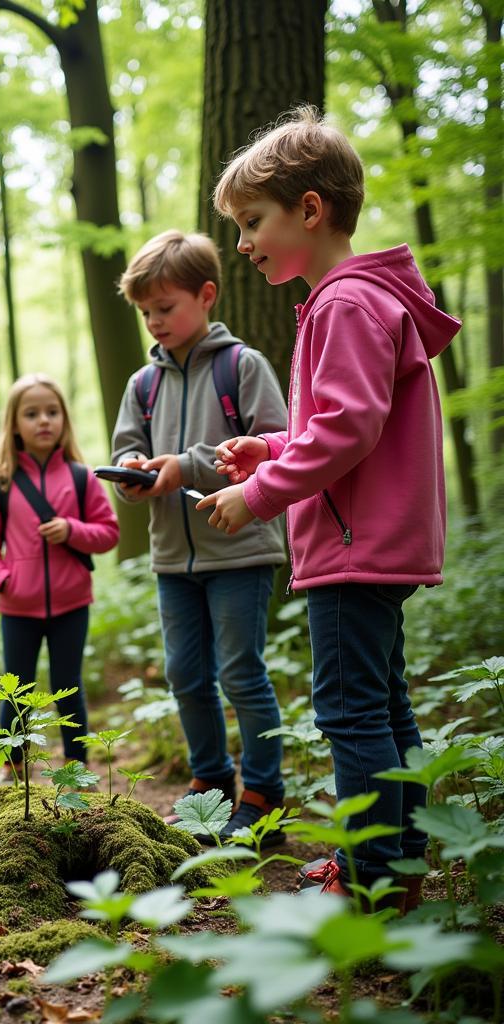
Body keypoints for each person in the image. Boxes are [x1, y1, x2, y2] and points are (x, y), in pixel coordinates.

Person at [202, 106, 461, 904]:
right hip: (372, 537)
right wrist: (271, 451)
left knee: (350, 712)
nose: (243, 244)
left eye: (253, 223)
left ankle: (374, 879)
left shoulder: (347, 303)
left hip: (355, 548)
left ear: (309, 210)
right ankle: (401, 862)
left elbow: (347, 430)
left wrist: (258, 494)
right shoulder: (355, 300)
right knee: (385, 705)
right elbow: (341, 431)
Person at [110, 229, 289, 845]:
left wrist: (185, 466)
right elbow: (127, 447)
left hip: (239, 549)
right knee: (185, 673)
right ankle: (209, 784)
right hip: (172, 559)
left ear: (206, 295)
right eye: (146, 312)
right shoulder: (143, 384)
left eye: (166, 307)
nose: (155, 321)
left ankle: (264, 795)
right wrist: (133, 473)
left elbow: (278, 449)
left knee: (242, 671)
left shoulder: (242, 367)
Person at [0, 374, 119, 780]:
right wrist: (2, 579)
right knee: (16, 689)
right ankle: (13, 766)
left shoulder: (80, 477)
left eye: (52, 412)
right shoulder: (1, 485)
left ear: (64, 421)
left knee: (68, 683)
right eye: (32, 413)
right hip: (18, 605)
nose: (43, 421)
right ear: (14, 424)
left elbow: (109, 532)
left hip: (72, 603)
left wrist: (72, 529)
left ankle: (77, 766)